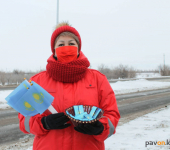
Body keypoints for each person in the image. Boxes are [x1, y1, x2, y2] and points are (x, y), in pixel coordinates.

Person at [18, 22, 120, 150]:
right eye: (61, 44)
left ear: (78, 47)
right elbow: (24, 121)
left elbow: (112, 114)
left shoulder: (98, 79)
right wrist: (44, 123)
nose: (66, 48)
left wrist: (100, 127)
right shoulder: (37, 81)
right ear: (54, 50)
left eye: (71, 43)